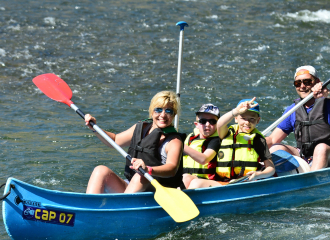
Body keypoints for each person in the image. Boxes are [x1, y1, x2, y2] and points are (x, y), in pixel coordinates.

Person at [84, 91, 184, 194]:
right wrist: (95, 128)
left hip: (158, 192)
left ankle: (123, 207)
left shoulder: (174, 141)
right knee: (100, 171)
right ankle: (90, 207)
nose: (163, 115)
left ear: (174, 115)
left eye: (168, 111)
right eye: (158, 109)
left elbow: (172, 168)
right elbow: (114, 140)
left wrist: (148, 169)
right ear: (151, 111)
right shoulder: (141, 128)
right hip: (134, 189)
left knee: (141, 176)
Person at [188, 98, 275, 189]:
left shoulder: (258, 140)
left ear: (258, 120)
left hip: (244, 182)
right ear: (236, 119)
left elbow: (271, 169)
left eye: (252, 119)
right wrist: (236, 111)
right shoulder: (227, 133)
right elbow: (220, 123)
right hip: (222, 181)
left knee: (196, 184)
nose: (247, 122)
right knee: (188, 179)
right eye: (243, 118)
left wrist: (258, 174)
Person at [266, 65, 330, 171]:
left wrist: (326, 95)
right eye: (298, 83)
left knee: (321, 148)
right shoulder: (293, 110)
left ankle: (311, 182)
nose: (302, 86)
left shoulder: (327, 103)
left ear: (317, 82)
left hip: (326, 153)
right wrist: (252, 145)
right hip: (304, 154)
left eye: (307, 82)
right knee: (275, 148)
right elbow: (273, 139)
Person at [182, 104, 221, 188]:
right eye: (203, 121)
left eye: (212, 122)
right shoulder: (190, 139)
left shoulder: (216, 140)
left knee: (196, 183)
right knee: (185, 178)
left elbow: (204, 159)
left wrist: (180, 144)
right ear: (196, 124)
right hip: (192, 178)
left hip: (211, 182)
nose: (207, 124)